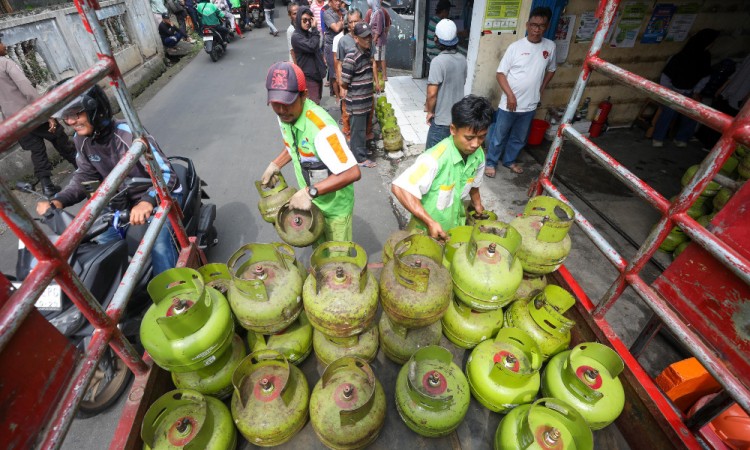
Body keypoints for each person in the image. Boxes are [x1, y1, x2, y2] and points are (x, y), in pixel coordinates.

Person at [35, 86, 182, 275]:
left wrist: (147, 200)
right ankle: (122, 294)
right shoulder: (82, 140)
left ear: (95, 109)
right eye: (66, 116)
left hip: (158, 198)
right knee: (100, 245)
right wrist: (58, 200)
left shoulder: (128, 133)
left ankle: (172, 293)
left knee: (157, 244)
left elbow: (166, 174)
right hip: (120, 206)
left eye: (76, 114)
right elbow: (84, 176)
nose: (71, 122)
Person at [261, 61, 361, 243]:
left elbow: (352, 172)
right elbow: (294, 145)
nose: (282, 111)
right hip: (312, 204)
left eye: (288, 103)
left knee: (336, 263)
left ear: (304, 96)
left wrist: (310, 192)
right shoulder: (285, 117)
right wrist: (276, 164)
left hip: (334, 209)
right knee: (318, 253)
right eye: (276, 103)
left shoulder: (322, 130)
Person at [392, 95, 493, 239]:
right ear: (453, 129)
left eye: (482, 137)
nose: (475, 144)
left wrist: (477, 204)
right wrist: (430, 222)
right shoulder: (434, 159)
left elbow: (474, 184)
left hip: (456, 226)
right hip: (425, 233)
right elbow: (400, 188)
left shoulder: (479, 156)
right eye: (469, 138)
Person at [0, 35, 77, 197]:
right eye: (1, 43)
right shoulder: (6, 63)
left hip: (14, 121)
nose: (4, 45)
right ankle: (81, 166)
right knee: (59, 137)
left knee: (37, 151)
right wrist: (45, 112)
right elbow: (26, 88)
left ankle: (47, 186)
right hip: (31, 114)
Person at [485, 6, 556, 176]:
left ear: (546, 27)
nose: (536, 29)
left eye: (541, 26)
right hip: (508, 104)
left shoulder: (550, 46)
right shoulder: (515, 47)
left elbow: (552, 69)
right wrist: (510, 95)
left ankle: (509, 161)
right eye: (533, 24)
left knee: (519, 137)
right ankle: (491, 162)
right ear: (527, 25)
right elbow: (500, 74)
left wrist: (542, 87)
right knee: (499, 136)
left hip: (530, 104)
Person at [652, 29, 719, 148]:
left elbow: (705, 76)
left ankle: (681, 138)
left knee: (694, 113)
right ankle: (658, 138)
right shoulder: (680, 57)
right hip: (672, 91)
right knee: (668, 112)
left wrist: (696, 91)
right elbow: (666, 76)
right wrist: (667, 93)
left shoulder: (705, 58)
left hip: (689, 92)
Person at [340, 22, 378, 169]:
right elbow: (344, 82)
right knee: (357, 131)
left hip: (366, 102)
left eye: (369, 36)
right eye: (364, 37)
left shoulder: (367, 53)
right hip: (357, 103)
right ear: (356, 39)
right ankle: (359, 158)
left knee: (361, 131)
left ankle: (359, 151)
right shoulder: (352, 57)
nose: (368, 39)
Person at [425, 19, 467, 149]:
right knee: (450, 154)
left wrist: (430, 111)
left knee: (432, 157)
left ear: (436, 39)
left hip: (441, 121)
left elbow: (432, 94)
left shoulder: (438, 62)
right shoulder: (463, 59)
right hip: (458, 118)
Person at [334, 10, 361, 137]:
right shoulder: (343, 41)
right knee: (347, 112)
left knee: (364, 112)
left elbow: (372, 62)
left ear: (361, 21)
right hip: (348, 84)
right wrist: (341, 86)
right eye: (351, 22)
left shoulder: (366, 38)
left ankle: (363, 136)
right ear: (347, 24)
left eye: (356, 21)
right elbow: (339, 64)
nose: (354, 24)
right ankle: (348, 136)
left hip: (362, 85)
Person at [292, 7, 327, 104]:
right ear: (299, 20)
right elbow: (312, 46)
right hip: (308, 77)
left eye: (309, 20)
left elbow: (317, 48)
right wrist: (315, 29)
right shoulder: (296, 37)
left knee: (317, 102)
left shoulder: (309, 34)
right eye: (304, 20)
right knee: (313, 105)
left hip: (317, 75)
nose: (307, 23)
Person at [322, 0, 346, 98]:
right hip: (331, 46)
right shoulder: (327, 14)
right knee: (334, 72)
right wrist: (342, 21)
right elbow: (336, 28)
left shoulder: (344, 11)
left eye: (339, 0)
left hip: (343, 44)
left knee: (343, 69)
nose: (338, 3)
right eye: (335, 0)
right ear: (330, 2)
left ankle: (343, 91)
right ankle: (337, 96)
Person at [368, 0, 388, 83]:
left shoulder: (379, 13)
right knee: (376, 58)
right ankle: (377, 75)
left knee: (380, 58)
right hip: (375, 39)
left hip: (379, 40)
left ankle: (383, 76)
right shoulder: (374, 12)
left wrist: (374, 39)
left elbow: (379, 28)